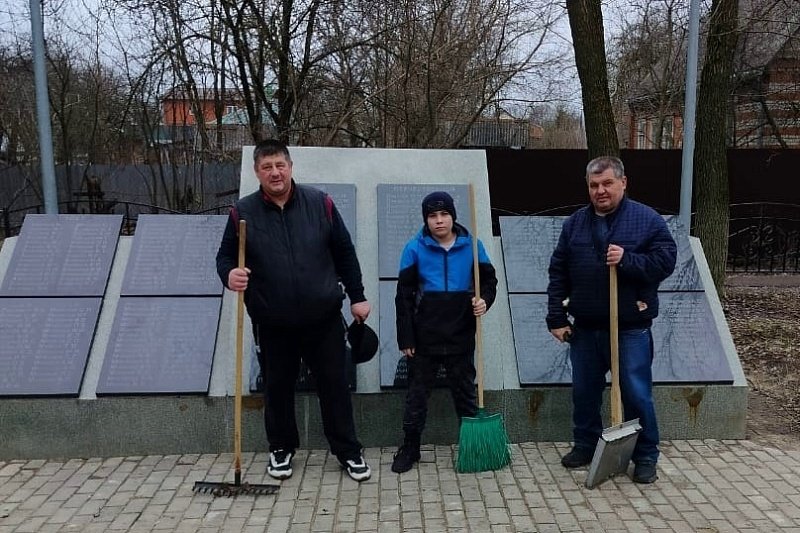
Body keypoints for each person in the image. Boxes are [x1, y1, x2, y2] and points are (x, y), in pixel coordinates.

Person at [216, 139, 372, 482]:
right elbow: (225, 257)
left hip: (324, 318)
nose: (275, 172)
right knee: (277, 387)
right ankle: (281, 449)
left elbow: (344, 253)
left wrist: (357, 296)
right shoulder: (243, 213)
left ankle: (348, 451)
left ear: (290, 166)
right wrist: (231, 274)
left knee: (334, 385)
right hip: (273, 321)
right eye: (267, 167)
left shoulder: (321, 204)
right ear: (257, 172)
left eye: (280, 165)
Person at [546, 156, 677, 484]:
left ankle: (645, 455)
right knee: (584, 391)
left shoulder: (646, 220)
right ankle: (586, 445)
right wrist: (556, 316)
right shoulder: (575, 223)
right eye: (594, 185)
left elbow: (665, 261)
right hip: (586, 328)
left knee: (636, 393)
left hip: (630, 327)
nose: (600, 191)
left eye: (607, 183)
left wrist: (628, 260)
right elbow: (558, 271)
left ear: (623, 183)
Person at [392, 191, 498, 474]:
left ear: (453, 216)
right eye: (432, 216)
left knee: (465, 394)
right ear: (426, 219)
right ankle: (410, 447)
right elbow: (403, 297)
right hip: (424, 337)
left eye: (444, 215)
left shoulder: (473, 247)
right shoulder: (414, 248)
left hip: (461, 334)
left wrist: (484, 300)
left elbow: (489, 281)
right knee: (417, 396)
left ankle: (472, 446)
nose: (439, 221)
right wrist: (406, 337)